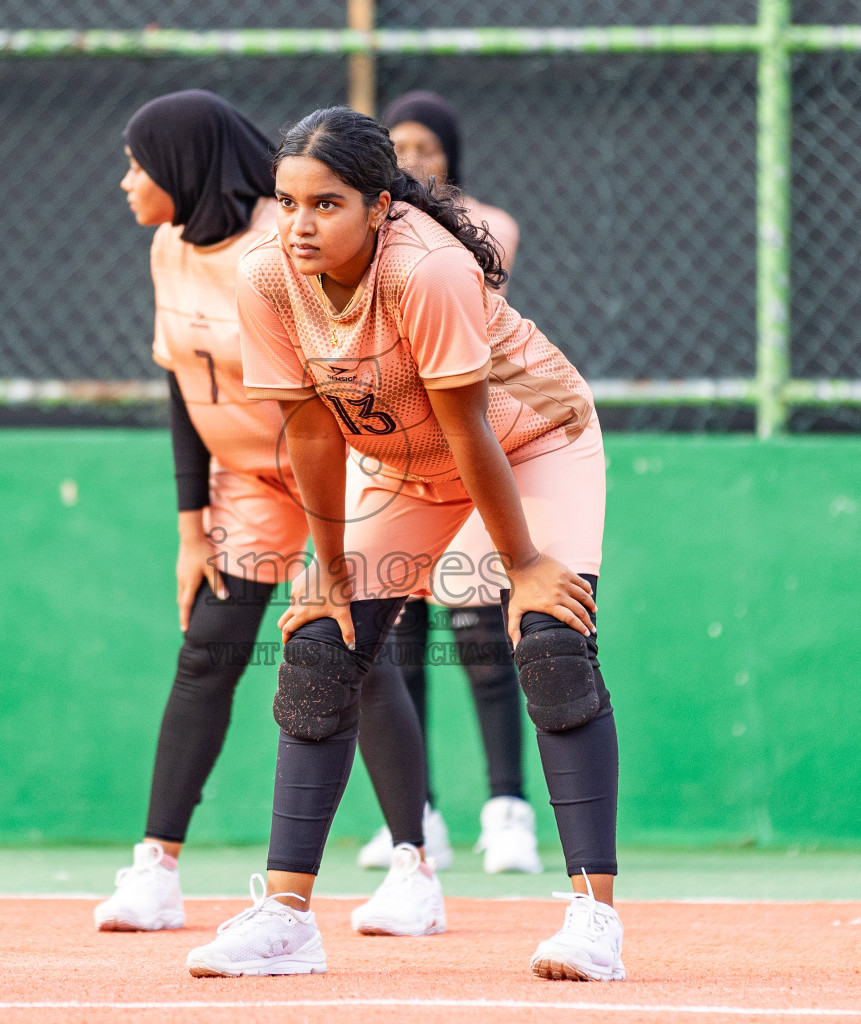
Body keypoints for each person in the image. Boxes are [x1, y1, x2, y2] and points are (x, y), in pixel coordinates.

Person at [184, 106, 623, 981]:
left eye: (327, 204)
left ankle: (593, 920)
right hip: (406, 463)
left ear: (380, 205)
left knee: (551, 641)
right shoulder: (267, 273)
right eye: (288, 203)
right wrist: (329, 570)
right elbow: (312, 430)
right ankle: (286, 919)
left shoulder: (428, 268)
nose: (300, 225)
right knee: (321, 641)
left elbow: (471, 430)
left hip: (534, 439)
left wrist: (525, 568)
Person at [90, 90, 444, 941]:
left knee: (350, 648)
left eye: (139, 164)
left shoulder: (283, 242)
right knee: (208, 649)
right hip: (248, 480)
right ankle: (156, 868)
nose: (128, 182)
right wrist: (191, 527)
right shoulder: (169, 246)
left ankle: (413, 869)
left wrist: (345, 542)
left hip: (339, 470)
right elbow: (182, 385)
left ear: (183, 165)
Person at [353, 91, 542, 875]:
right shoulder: (364, 233)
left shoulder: (487, 225)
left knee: (483, 640)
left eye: (427, 147)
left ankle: (508, 815)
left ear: (451, 155)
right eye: (399, 147)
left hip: (467, 450)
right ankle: (416, 818)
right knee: (399, 648)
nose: (414, 159)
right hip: (393, 454)